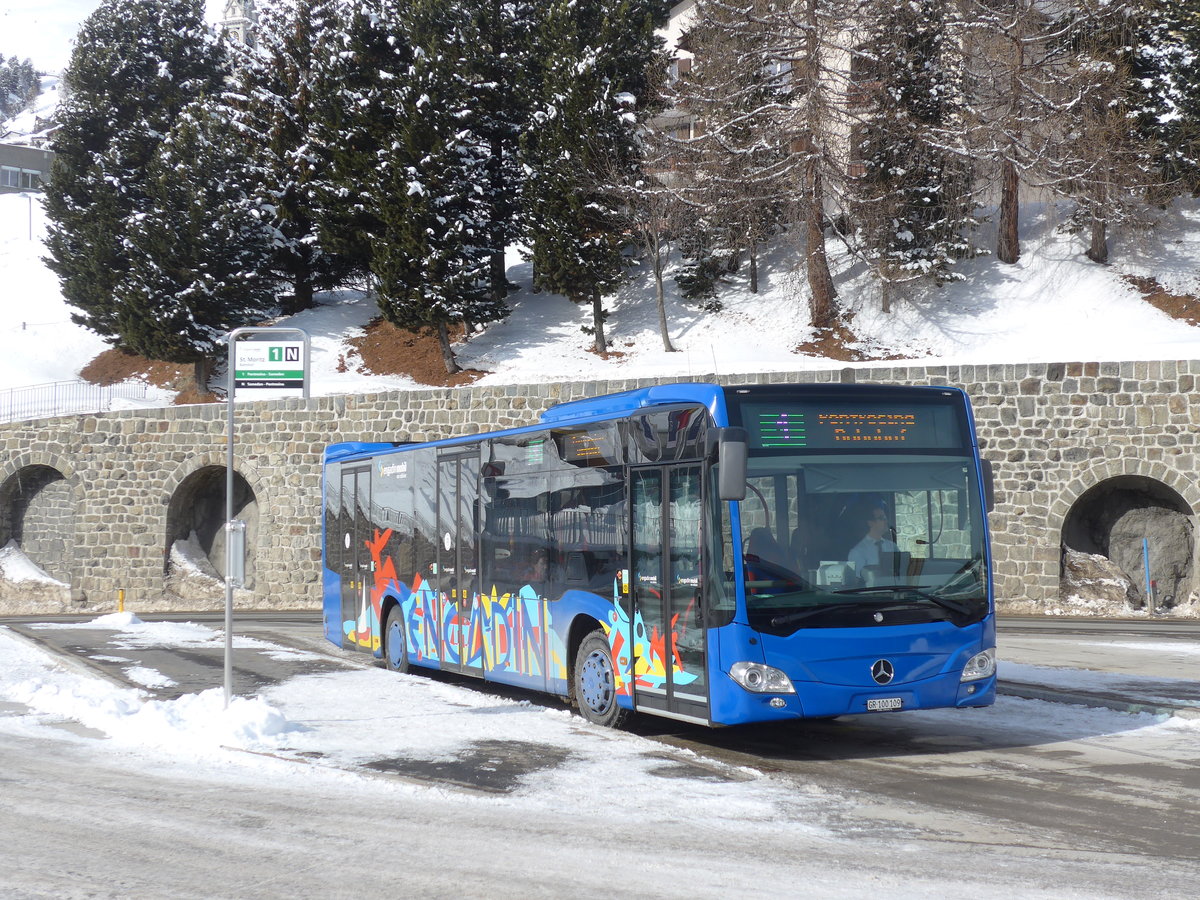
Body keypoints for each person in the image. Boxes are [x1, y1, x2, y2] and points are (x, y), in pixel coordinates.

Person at [848, 505, 899, 576]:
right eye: (882, 518)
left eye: (885, 518)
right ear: (870, 523)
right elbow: (858, 579)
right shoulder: (858, 552)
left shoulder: (892, 546)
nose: (886, 521)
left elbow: (901, 570)